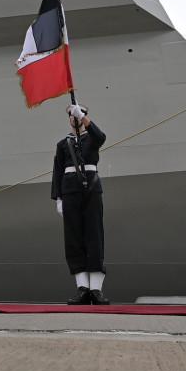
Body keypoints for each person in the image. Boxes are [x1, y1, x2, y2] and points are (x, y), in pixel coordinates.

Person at [52, 103, 109, 305]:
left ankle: (96, 289)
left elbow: (101, 137)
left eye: (77, 114)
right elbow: (58, 171)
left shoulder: (91, 138)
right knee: (74, 237)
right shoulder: (63, 144)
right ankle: (82, 287)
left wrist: (84, 117)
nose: (74, 117)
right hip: (69, 191)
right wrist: (58, 198)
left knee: (94, 235)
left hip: (91, 190)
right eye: (71, 115)